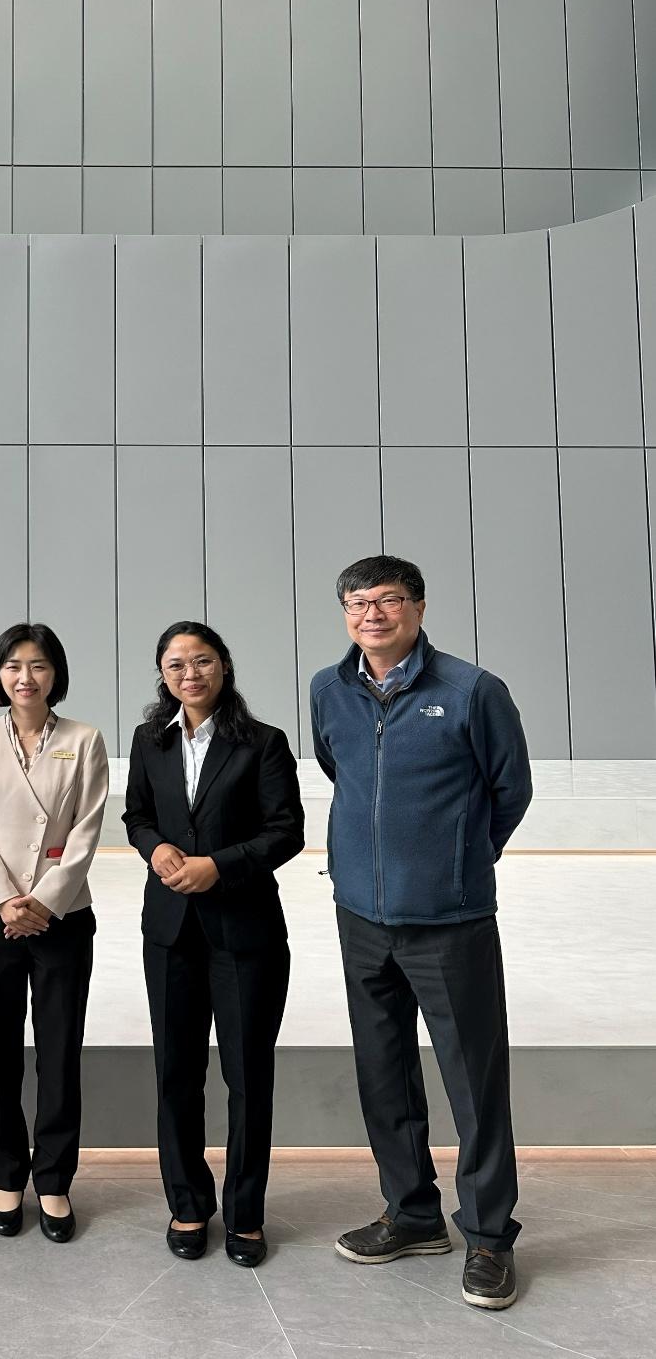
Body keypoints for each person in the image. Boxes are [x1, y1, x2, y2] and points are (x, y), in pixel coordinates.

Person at [310, 555, 532, 1311]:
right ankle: (411, 1213)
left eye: (389, 599)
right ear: (345, 614)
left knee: (474, 1082)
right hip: (361, 916)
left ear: (419, 606)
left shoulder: (472, 690)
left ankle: (490, 1237)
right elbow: (342, 772)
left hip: (450, 921)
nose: (372, 613)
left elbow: (510, 788)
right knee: (384, 1073)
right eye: (357, 602)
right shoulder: (330, 689)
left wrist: (460, 859)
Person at [123, 621, 304, 1267]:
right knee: (176, 1073)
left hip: (245, 934)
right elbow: (137, 815)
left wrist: (218, 867)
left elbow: (286, 831)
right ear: (162, 674)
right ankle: (188, 1202)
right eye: (175, 664)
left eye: (201, 660)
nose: (189, 673)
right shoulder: (150, 740)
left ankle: (246, 1213)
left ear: (223, 665)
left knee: (247, 1076)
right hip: (170, 931)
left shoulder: (263, 742)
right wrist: (155, 848)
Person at [0, 623, 108, 1243]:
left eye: (38, 665)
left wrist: (42, 900)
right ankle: (7, 1176)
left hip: (61, 915)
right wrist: (5, 901)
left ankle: (56, 1181)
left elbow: (88, 827)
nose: (25, 677)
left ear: (55, 673)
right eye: (13, 666)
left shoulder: (83, 738)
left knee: (60, 1050)